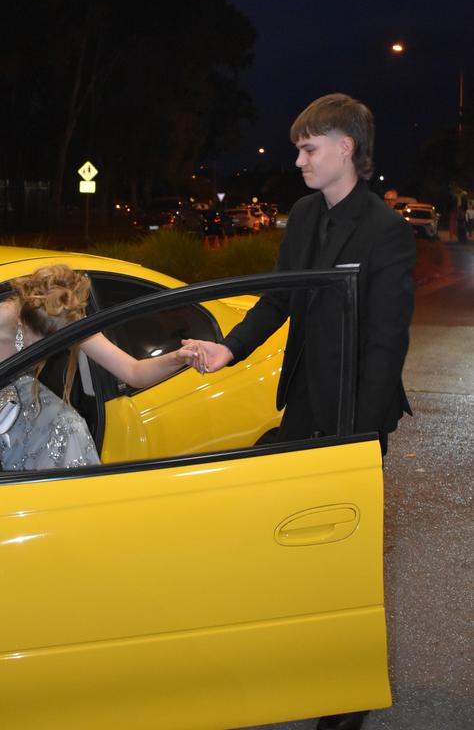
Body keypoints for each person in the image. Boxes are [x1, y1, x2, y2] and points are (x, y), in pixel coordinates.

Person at [182, 93, 416, 730]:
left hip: (353, 417)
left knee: (345, 565)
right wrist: (226, 349)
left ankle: (346, 701)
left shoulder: (386, 232)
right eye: (299, 148)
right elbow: (276, 301)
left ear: (347, 148)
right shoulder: (306, 215)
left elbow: (386, 342)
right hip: (304, 409)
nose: (299, 159)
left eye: (310, 148)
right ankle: (299, 668)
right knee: (293, 548)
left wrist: (358, 441)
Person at [0, 263, 190, 472]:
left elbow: (133, 372)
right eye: (42, 342)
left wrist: (179, 357)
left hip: (18, 396)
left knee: (69, 426)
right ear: (24, 319)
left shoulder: (64, 316)